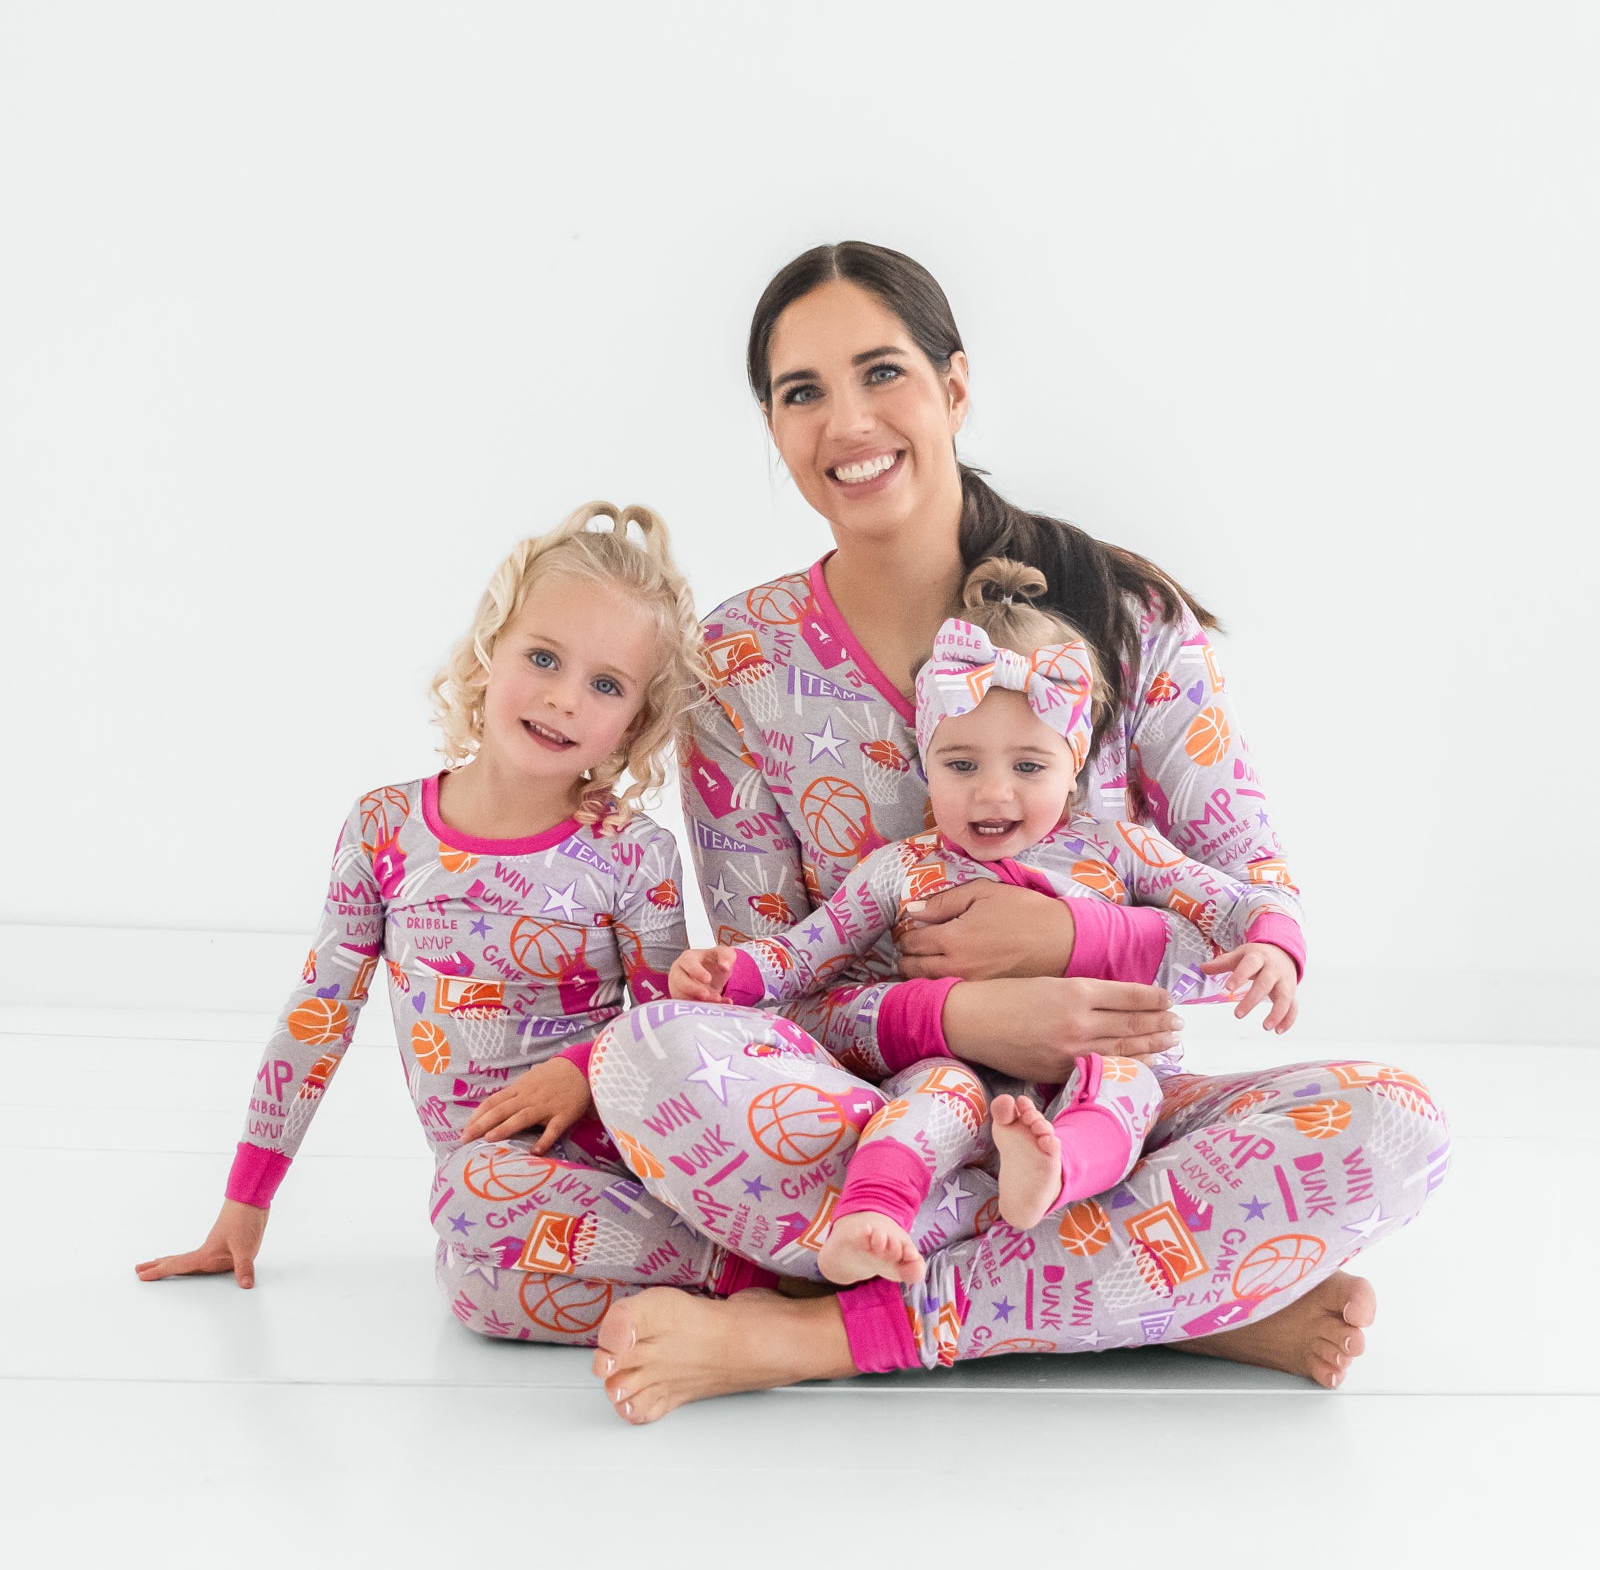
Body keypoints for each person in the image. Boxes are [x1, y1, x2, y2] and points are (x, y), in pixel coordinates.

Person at [584, 241, 1449, 1424]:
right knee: (648, 1060)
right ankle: (1184, 1305)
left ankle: (819, 1335)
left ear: (952, 385)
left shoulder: (1124, 613)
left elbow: (1248, 906)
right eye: (801, 393)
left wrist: (1072, 941)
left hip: (1108, 1118)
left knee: (1397, 1129)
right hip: (876, 1129)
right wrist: (950, 1014)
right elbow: (766, 993)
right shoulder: (737, 665)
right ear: (773, 427)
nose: (846, 421)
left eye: (880, 371)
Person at [135, 503, 778, 1336]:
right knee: (475, 1279)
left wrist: (584, 1068)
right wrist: (245, 1203)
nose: (563, 699)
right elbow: (317, 1018)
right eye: (543, 657)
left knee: (465, 1211)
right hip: (494, 1182)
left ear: (636, 721)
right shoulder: (384, 829)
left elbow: (672, 1030)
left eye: (606, 685)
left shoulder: (632, 852)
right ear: (488, 651)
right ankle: (737, 1283)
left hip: (618, 1153)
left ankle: (754, 1272)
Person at [669, 558, 1305, 1287]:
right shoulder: (900, 867)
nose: (992, 792)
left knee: (1126, 1089)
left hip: (1100, 1060)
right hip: (959, 1063)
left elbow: (1233, 898)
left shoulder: (1117, 846)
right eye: (961, 764)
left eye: (1029, 767)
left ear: (1076, 766)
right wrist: (736, 972)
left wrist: (1273, 945)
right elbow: (809, 954)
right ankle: (870, 1217)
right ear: (924, 762)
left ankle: (1053, 1173)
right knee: (932, 1097)